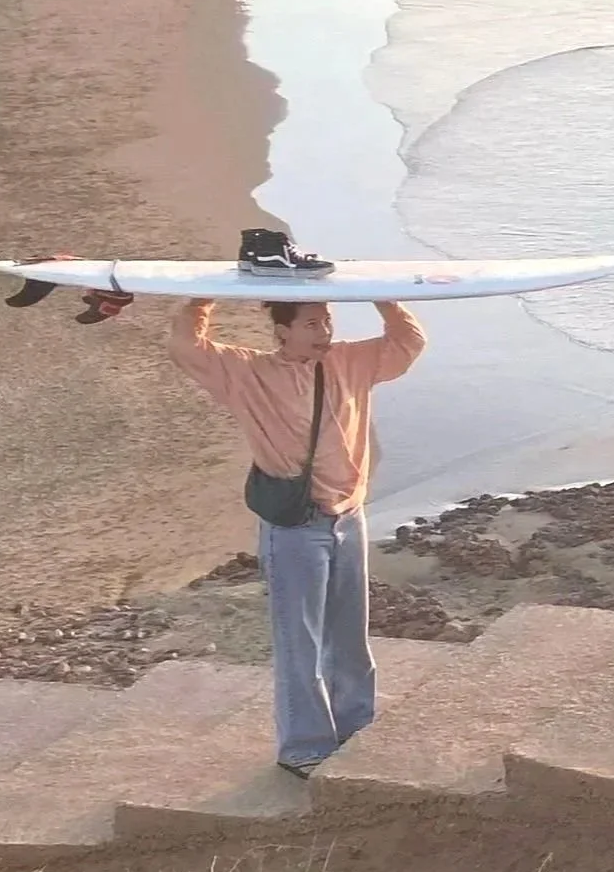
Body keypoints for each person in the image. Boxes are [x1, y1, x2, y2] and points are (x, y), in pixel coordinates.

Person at [168, 293, 428, 773]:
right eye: (311, 323)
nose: (323, 330)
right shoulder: (248, 373)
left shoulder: (350, 360)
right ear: (282, 329)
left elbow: (409, 343)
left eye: (326, 320)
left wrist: (384, 299)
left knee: (350, 634)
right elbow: (187, 347)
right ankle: (304, 749)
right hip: (295, 528)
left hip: (349, 517)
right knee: (300, 642)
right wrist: (204, 297)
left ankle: (356, 727)